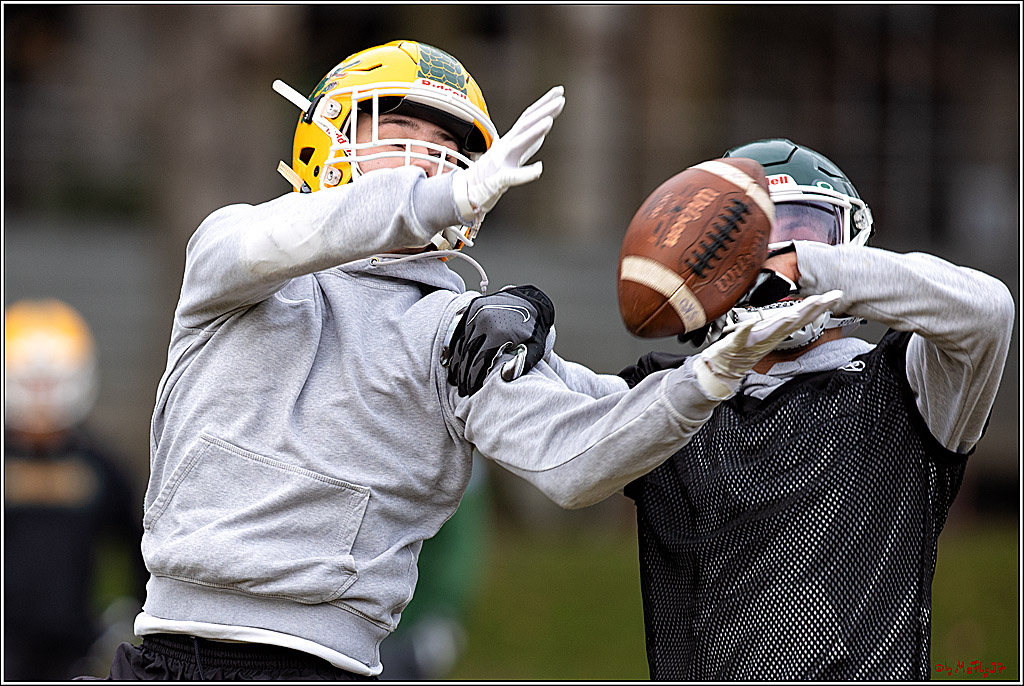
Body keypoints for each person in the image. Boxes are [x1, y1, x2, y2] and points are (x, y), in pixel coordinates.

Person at [94, 40, 838, 681]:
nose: (426, 153)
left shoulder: (459, 328)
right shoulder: (236, 249)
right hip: (157, 649)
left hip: (318, 664)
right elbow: (277, 242)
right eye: (398, 125)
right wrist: (437, 196)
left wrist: (706, 379)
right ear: (322, 134)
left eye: (449, 145)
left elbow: (580, 456)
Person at [613, 139, 1015, 680]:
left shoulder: (907, 384)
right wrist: (517, 316)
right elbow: (548, 433)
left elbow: (987, 311)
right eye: (756, 241)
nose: (770, 257)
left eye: (802, 231)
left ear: (846, 248)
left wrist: (806, 268)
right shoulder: (668, 393)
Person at [4, 299, 147, 681]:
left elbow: (140, 550)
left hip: (74, 652)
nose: (40, 396)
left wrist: (131, 619)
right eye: (29, 383)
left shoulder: (102, 466)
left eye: (50, 383)